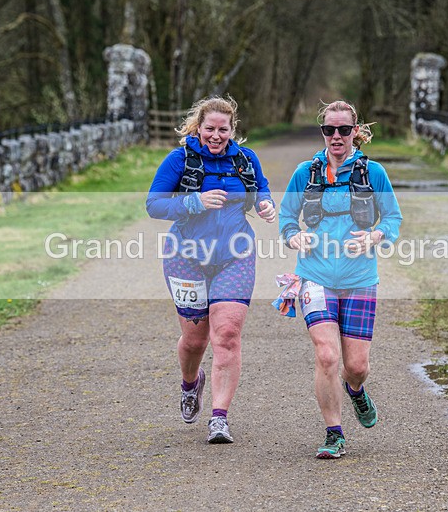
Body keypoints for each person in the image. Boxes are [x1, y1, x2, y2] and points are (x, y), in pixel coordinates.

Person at [146, 95, 275, 444]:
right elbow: (154, 204)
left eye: (223, 129)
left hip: (235, 254)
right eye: (209, 129)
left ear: (232, 130)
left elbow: (261, 189)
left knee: (227, 335)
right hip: (185, 256)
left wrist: (266, 204)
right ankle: (191, 383)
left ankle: (219, 417)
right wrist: (194, 201)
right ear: (198, 128)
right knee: (194, 340)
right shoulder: (179, 160)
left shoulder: (245, 160)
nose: (216, 136)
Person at [278, 100, 402, 459]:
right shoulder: (305, 172)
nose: (336, 136)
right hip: (314, 275)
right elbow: (288, 216)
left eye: (343, 130)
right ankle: (334, 433)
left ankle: (357, 391)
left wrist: (375, 237)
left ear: (355, 132)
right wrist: (293, 236)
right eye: (329, 130)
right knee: (327, 355)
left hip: (361, 276)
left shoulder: (373, 173)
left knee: (356, 367)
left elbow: (392, 218)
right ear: (323, 132)